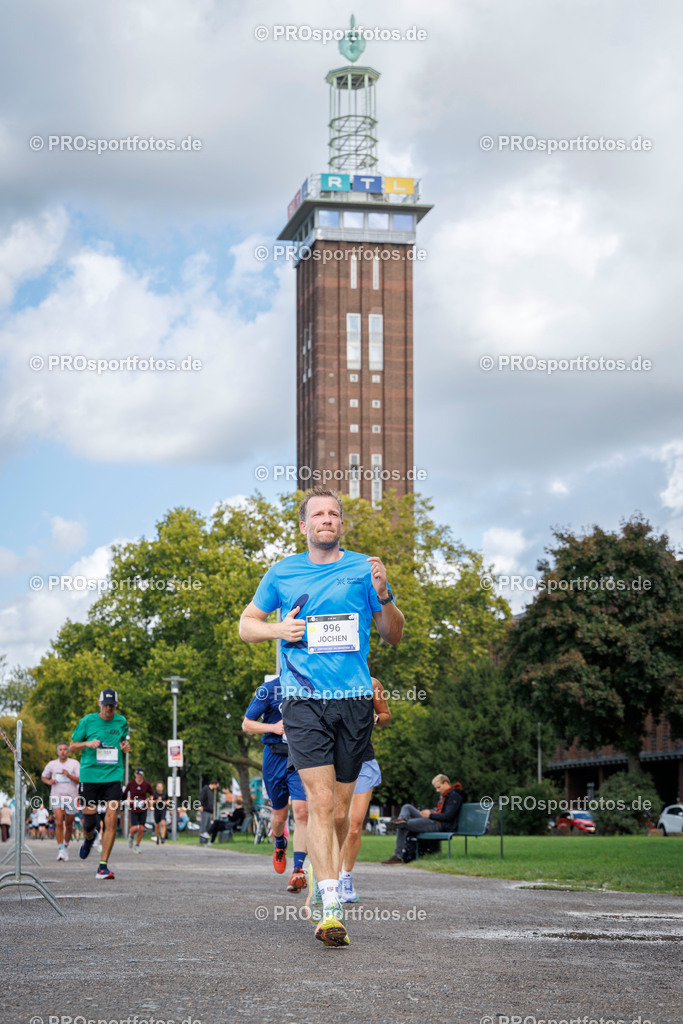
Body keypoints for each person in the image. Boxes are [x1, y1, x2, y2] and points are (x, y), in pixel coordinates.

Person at [239, 486, 404, 946]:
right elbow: (245, 623)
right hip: (302, 699)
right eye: (318, 514)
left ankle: (320, 869)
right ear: (304, 525)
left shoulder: (366, 567)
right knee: (320, 801)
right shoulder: (282, 572)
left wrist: (385, 594)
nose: (326, 519)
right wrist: (277, 628)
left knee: (337, 816)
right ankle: (331, 907)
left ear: (341, 525)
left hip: (353, 701)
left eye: (334, 514)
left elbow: (393, 634)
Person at [242, 676, 308, 891]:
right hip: (274, 757)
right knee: (279, 816)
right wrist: (273, 727)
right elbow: (247, 724)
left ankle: (298, 869)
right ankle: (280, 844)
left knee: (301, 812)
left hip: (301, 757)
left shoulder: (311, 685)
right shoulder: (268, 689)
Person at [338, 677, 390, 902]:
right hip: (332, 762)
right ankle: (328, 877)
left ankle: (346, 877)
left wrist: (375, 719)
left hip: (363, 760)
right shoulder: (329, 680)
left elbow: (386, 715)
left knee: (355, 825)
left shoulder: (372, 684)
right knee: (336, 821)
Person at [69, 688, 130, 879]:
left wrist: (126, 747)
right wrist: (87, 744)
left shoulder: (122, 722)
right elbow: (72, 746)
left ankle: (103, 866)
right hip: (90, 777)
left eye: (112, 705)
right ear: (99, 703)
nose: (109, 708)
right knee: (90, 822)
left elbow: (123, 741)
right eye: (106, 705)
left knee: (111, 818)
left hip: (113, 776)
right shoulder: (87, 721)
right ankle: (89, 838)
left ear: (116, 705)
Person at [381, 774, 463, 865]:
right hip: (434, 820)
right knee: (407, 807)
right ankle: (401, 818)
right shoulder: (445, 795)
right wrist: (430, 812)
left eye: (439, 787)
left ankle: (398, 857)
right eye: (436, 788)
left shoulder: (454, 796)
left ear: (446, 783)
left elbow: (448, 816)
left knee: (403, 825)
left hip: (440, 824)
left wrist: (430, 815)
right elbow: (441, 812)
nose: (437, 790)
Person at [41, 741, 80, 861]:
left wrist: (69, 776)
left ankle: (66, 846)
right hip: (56, 796)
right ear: (57, 751)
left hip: (71, 797)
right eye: (60, 749)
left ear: (68, 751)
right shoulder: (52, 764)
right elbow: (43, 777)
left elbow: (80, 780)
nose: (62, 751)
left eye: (65, 749)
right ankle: (60, 849)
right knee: (58, 822)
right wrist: (49, 782)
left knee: (69, 824)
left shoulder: (74, 763)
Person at [123, 768, 154, 854]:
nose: (139, 776)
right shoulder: (131, 783)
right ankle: (131, 836)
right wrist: (128, 799)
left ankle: (137, 846)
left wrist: (148, 799)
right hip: (133, 808)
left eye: (141, 775)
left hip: (143, 807)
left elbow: (152, 794)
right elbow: (124, 794)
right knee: (134, 827)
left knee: (141, 828)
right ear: (135, 774)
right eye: (138, 774)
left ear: (143, 775)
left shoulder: (146, 784)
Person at [198, 779, 219, 844]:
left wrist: (212, 812)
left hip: (209, 811)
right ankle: (202, 840)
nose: (216, 788)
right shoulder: (205, 789)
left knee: (208, 826)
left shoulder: (211, 791)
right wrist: (200, 805)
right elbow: (201, 797)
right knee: (203, 825)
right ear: (214, 784)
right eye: (216, 786)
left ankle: (206, 840)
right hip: (205, 810)